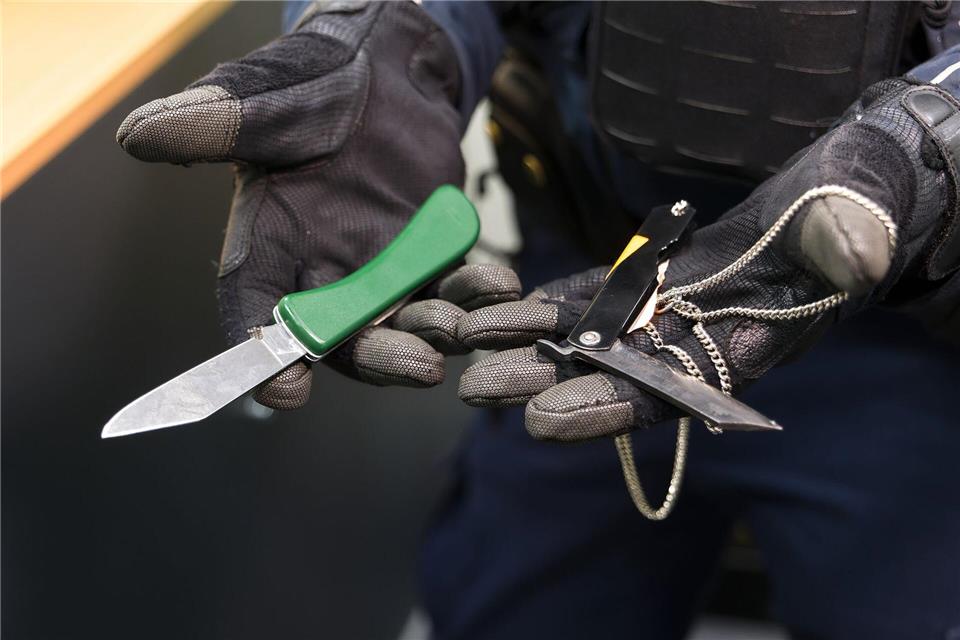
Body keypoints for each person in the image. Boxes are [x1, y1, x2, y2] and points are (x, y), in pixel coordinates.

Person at [117, 2, 960, 638]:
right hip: (577, 309)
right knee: (511, 609)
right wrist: (383, 30)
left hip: (898, 346)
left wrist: (925, 149)